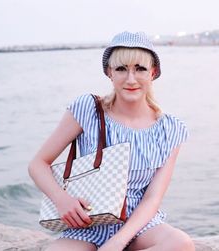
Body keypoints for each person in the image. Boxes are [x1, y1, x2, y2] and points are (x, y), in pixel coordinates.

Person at [28, 31, 195, 251]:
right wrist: (62, 199)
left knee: (181, 244)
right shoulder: (89, 108)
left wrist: (117, 242)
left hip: (139, 226)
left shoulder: (169, 128)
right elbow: (38, 164)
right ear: (109, 72)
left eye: (140, 69)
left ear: (153, 72)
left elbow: (152, 199)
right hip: (88, 222)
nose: (131, 79)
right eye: (121, 69)